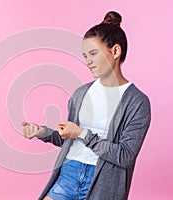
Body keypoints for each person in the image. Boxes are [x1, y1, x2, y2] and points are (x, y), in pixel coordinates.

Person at [22, 11, 151, 200]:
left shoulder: (137, 102)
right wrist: (43, 132)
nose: (87, 61)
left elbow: (125, 156)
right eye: (85, 55)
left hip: (102, 183)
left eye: (93, 53)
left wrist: (82, 134)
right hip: (68, 173)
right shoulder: (81, 94)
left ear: (115, 51)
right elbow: (69, 139)